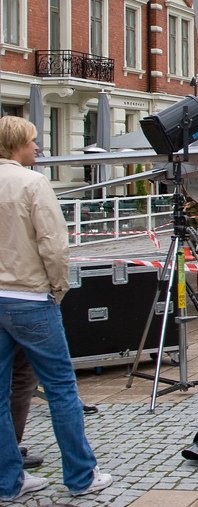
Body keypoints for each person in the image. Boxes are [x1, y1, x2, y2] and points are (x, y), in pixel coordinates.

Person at [0, 116, 113, 499]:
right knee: (62, 389)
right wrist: (57, 290)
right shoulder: (32, 183)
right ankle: (82, 475)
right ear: (18, 145)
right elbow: (54, 245)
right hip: (30, 298)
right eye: (33, 142)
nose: (37, 148)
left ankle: (8, 481)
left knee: (0, 394)